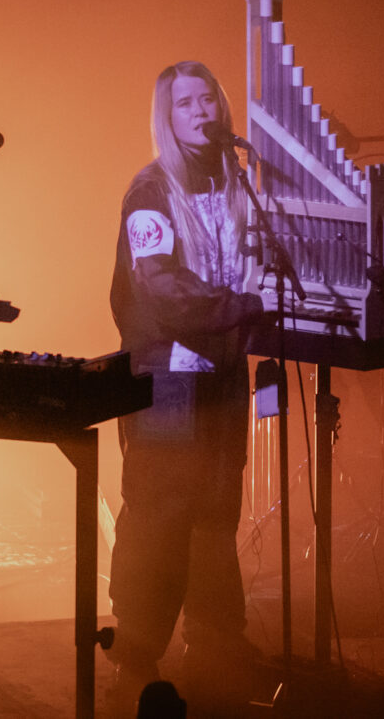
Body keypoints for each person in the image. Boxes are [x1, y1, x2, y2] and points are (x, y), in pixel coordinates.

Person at [107, 61, 266, 709]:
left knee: (216, 506)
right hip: (166, 374)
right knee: (158, 510)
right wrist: (242, 306)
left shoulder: (238, 184)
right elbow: (160, 287)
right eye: (185, 103)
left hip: (222, 371)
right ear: (166, 118)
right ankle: (136, 649)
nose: (201, 111)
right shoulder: (149, 191)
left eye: (208, 99)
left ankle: (213, 636)